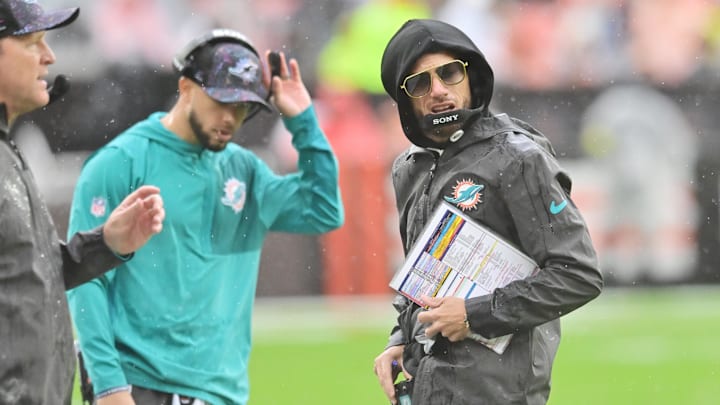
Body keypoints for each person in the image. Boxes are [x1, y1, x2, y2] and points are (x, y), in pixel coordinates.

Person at [67, 29, 344, 405]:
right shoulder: (120, 163)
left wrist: (304, 122)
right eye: (222, 101)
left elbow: (324, 210)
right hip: (140, 387)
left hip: (221, 394)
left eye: (243, 106)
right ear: (185, 87)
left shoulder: (246, 171)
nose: (231, 117)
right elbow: (87, 284)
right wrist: (109, 387)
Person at [372, 19, 603, 405]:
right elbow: (423, 282)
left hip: (500, 394)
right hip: (425, 387)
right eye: (420, 83)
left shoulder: (518, 159)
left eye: (449, 73)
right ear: (405, 99)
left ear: (471, 75)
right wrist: (402, 339)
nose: (439, 90)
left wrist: (474, 314)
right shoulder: (407, 169)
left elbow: (578, 274)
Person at [0, 1, 165, 404]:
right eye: (32, 43)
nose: (48, 56)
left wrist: (104, 244)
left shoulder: (8, 152)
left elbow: (22, 276)